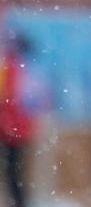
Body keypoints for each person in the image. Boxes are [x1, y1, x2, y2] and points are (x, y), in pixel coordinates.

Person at [0, 31, 37, 207]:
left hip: (9, 129)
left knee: (13, 173)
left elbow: (6, 98)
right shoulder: (29, 70)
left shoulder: (10, 68)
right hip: (19, 129)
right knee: (15, 174)